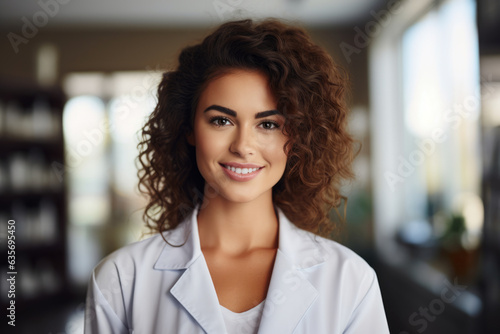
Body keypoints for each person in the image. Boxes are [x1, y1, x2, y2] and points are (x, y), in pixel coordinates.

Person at [84, 18, 390, 334]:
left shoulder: (350, 280)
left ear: (297, 136)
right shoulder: (120, 280)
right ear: (188, 129)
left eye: (268, 124)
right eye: (221, 121)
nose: (243, 146)